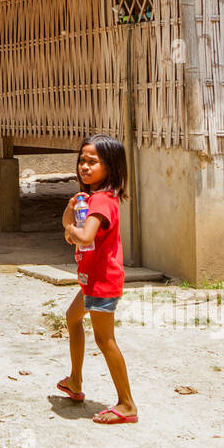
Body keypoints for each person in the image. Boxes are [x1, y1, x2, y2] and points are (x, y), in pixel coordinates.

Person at [54, 134, 138, 424]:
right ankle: (75, 382)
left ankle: (127, 404)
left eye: (93, 162)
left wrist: (69, 227)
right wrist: (71, 212)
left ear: (110, 167)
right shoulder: (96, 198)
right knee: (72, 318)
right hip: (92, 279)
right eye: (82, 161)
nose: (84, 167)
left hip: (102, 282)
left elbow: (83, 236)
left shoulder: (101, 201)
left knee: (105, 340)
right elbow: (78, 236)